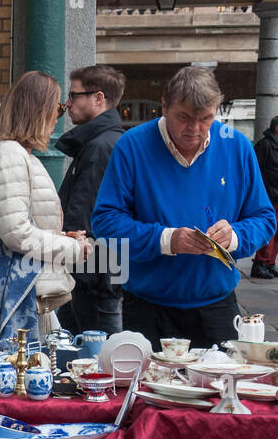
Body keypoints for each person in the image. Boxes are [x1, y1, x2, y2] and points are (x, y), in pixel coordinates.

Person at [91, 66, 276, 348]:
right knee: (145, 391)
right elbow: (104, 222)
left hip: (217, 305)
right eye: (185, 117)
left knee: (220, 390)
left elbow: (264, 218)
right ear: (164, 107)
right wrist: (167, 239)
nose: (195, 129)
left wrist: (236, 236)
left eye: (206, 119)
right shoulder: (132, 145)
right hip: (147, 306)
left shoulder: (237, 146)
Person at [0, 71, 86, 349]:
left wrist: (63, 238)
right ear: (39, 111)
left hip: (18, 290)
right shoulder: (10, 154)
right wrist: (72, 249)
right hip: (9, 294)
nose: (58, 118)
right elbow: (16, 234)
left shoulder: (15, 153)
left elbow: (20, 226)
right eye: (58, 108)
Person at [56, 65, 127, 336]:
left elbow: (85, 216)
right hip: (95, 271)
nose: (68, 104)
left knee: (99, 354)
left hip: (94, 274)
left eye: (74, 96)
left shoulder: (101, 146)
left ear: (98, 98)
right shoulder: (100, 142)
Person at [251, 115, 278, 279]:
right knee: (270, 230)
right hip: (270, 195)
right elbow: (256, 172)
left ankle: (270, 262)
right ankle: (259, 264)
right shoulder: (265, 145)